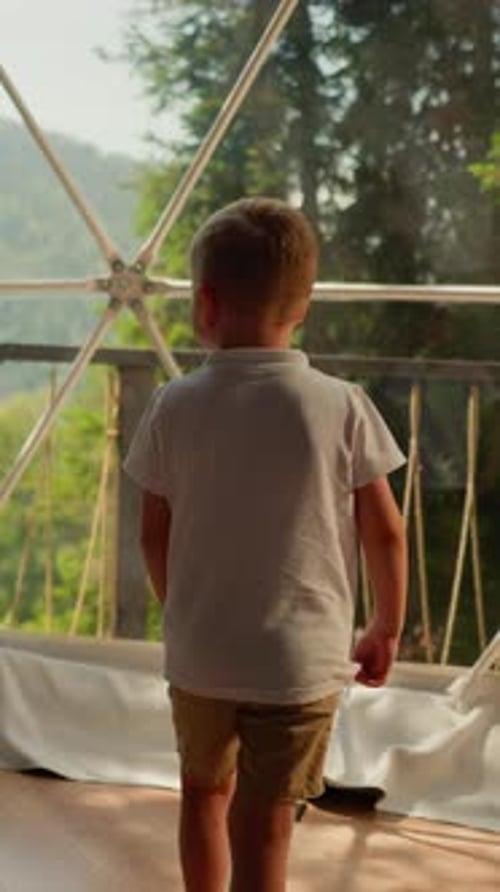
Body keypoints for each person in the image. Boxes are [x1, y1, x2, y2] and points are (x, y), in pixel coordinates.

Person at [124, 197, 408, 892]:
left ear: (204, 303)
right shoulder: (340, 403)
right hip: (297, 661)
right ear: (303, 306)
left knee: (202, 794)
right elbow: (386, 530)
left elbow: (153, 533)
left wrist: (183, 610)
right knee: (266, 821)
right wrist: (385, 625)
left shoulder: (173, 404)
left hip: (203, 652)